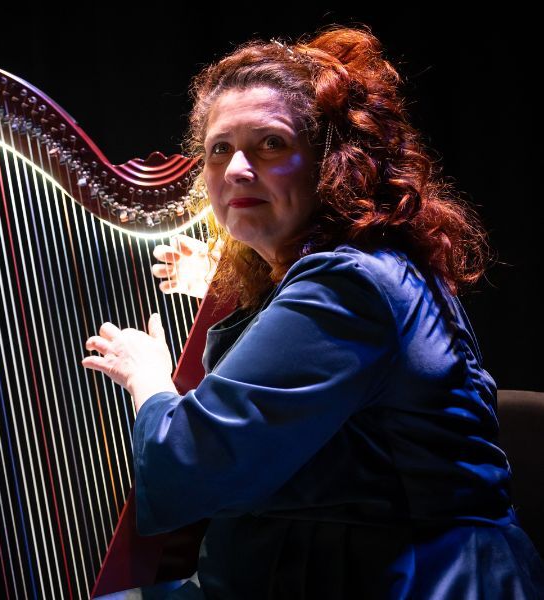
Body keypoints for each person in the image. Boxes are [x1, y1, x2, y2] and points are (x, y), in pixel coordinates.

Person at [81, 25, 544, 599]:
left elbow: (193, 463)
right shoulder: (352, 270)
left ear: (333, 164)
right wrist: (232, 289)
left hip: (405, 577)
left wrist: (147, 377)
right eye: (220, 149)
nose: (237, 169)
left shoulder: (349, 284)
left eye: (270, 144)